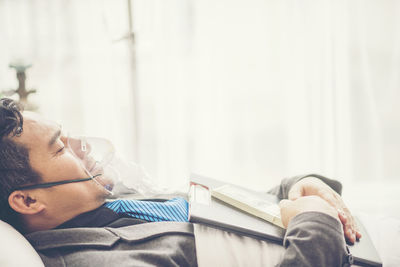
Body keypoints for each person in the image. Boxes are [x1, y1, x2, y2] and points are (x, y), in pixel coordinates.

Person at [0, 97, 359, 266]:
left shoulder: (113, 202)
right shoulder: (99, 262)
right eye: (61, 148)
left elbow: (233, 222)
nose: (81, 144)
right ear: (29, 201)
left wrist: (299, 186)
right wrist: (316, 225)